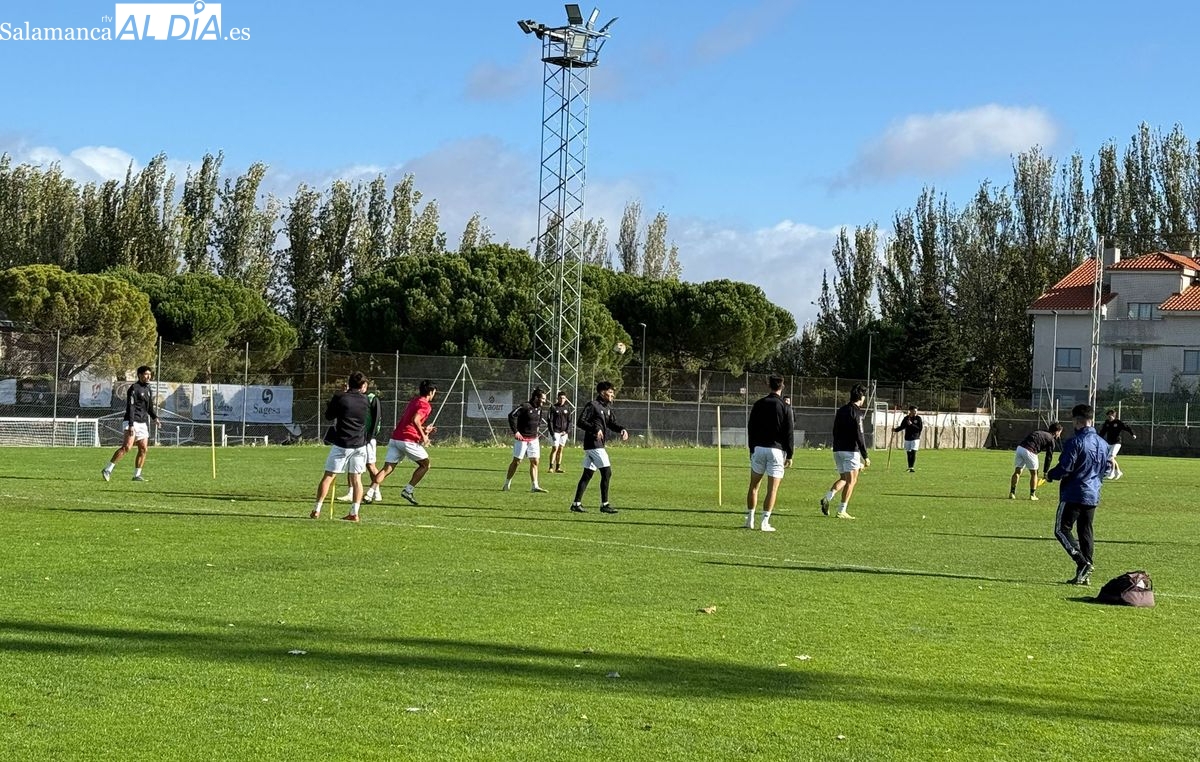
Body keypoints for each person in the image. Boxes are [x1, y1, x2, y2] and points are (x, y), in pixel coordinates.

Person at [1046, 404, 1108, 585]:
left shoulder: (1075, 442)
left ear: (1076, 421)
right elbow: (1106, 468)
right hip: (1093, 493)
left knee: (1061, 529)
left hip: (1074, 492)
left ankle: (1082, 563)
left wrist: (1051, 475)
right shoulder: (1103, 444)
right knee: (1085, 532)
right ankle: (1085, 573)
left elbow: (1065, 467)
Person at [310, 372, 371, 522]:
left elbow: (329, 415)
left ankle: (317, 509)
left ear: (349, 383)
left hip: (342, 444)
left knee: (329, 476)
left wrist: (340, 395)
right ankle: (354, 512)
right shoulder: (365, 400)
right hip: (360, 445)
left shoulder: (340, 397)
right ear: (362, 386)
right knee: (357, 479)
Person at [368, 380, 438, 506]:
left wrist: (424, 429)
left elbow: (411, 422)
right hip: (407, 440)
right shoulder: (425, 405)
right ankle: (408, 490)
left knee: (387, 468)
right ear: (431, 392)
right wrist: (424, 437)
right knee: (425, 465)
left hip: (396, 438)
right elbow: (415, 420)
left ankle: (369, 493)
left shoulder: (414, 401)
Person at [570, 380, 628, 515]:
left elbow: (611, 424)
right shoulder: (593, 405)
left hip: (597, 445)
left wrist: (622, 429)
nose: (613, 395)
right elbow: (580, 421)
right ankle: (605, 504)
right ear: (602, 393)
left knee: (587, 475)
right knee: (607, 472)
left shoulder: (607, 408)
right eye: (610, 392)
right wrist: (595, 429)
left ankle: (576, 504)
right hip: (593, 444)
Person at [745, 375, 794, 532]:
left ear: (769, 385)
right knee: (772, 489)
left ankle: (750, 519)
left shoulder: (759, 404)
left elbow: (751, 427)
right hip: (776, 450)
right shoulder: (785, 407)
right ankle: (764, 522)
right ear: (782, 386)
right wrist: (790, 454)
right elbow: (789, 433)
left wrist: (752, 448)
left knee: (754, 486)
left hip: (759, 448)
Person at [820, 384, 870, 520]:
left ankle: (827, 497)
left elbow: (834, 430)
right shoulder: (857, 413)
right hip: (850, 451)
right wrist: (865, 456)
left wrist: (837, 445)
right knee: (852, 481)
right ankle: (842, 510)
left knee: (844, 478)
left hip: (838, 450)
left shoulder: (841, 410)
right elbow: (860, 434)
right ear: (861, 397)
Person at [102, 365, 159, 482]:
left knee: (143, 449)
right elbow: (131, 407)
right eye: (146, 374)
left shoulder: (148, 389)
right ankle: (108, 469)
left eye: (149, 374)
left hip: (143, 423)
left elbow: (149, 407)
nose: (148, 376)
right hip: (131, 421)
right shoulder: (134, 388)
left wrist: (155, 418)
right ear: (139, 375)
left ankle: (137, 475)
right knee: (127, 447)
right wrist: (131, 425)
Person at [339, 384, 383, 503]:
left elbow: (376, 418)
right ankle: (351, 492)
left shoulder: (372, 398)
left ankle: (376, 491)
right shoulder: (354, 399)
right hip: (357, 437)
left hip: (368, 438)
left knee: (370, 465)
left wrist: (370, 436)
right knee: (351, 464)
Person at [504, 389, 548, 493]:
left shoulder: (539, 409)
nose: (544, 401)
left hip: (533, 439)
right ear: (536, 397)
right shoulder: (525, 406)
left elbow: (538, 422)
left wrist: (536, 432)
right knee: (517, 461)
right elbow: (511, 415)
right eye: (543, 398)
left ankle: (535, 486)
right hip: (522, 438)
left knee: (535, 461)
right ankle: (507, 483)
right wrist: (516, 432)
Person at [1009, 423, 1062, 500]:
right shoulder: (1051, 439)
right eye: (1060, 432)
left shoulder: (1040, 432)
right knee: (1034, 474)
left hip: (1020, 448)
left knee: (1017, 471)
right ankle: (1032, 495)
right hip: (1030, 451)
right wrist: (1045, 472)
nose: (1059, 435)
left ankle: (1012, 493)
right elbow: (1049, 456)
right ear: (1056, 432)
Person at [1097, 409, 1136, 480]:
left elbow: (1127, 428)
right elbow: (1103, 432)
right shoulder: (1107, 423)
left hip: (1117, 443)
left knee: (1111, 457)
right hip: (1109, 443)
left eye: (1110, 415)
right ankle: (1118, 471)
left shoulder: (1118, 422)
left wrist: (1132, 434)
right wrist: (1098, 439)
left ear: (1113, 416)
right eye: (1108, 416)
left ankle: (1112, 473)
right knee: (1111, 458)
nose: (1109, 417)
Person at [893, 405, 924, 472]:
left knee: (913, 451)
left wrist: (911, 424)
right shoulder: (906, 418)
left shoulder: (918, 418)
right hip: (907, 437)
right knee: (908, 453)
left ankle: (912, 467)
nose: (915, 412)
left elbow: (919, 429)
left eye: (916, 411)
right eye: (914, 411)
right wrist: (895, 430)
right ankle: (909, 467)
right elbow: (902, 426)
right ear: (910, 411)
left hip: (915, 438)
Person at [547, 391, 572, 473]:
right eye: (560, 398)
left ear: (566, 399)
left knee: (561, 449)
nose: (562, 399)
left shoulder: (567, 408)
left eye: (564, 398)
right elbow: (550, 421)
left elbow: (569, 421)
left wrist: (567, 431)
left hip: (564, 432)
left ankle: (558, 467)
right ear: (557, 398)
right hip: (556, 431)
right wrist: (552, 432)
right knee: (555, 448)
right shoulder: (553, 407)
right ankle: (551, 467)